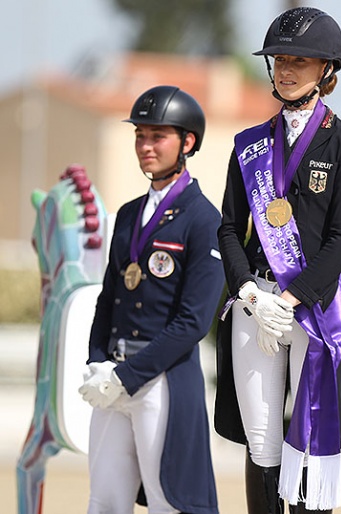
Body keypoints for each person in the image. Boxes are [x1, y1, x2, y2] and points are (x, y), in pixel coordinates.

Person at [214, 6, 341, 514]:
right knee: (261, 440)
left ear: (327, 71)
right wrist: (249, 293)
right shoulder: (250, 145)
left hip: (312, 308)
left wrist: (290, 297)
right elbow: (228, 228)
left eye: (299, 60)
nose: (285, 68)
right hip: (256, 304)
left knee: (305, 436)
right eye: (279, 58)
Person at [78, 85, 224, 514]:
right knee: (104, 499)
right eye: (140, 135)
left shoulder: (203, 220)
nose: (145, 146)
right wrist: (96, 360)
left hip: (161, 379)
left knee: (168, 501)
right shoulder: (126, 214)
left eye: (157, 136)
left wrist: (128, 375)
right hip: (113, 376)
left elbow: (193, 322)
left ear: (187, 142)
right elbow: (110, 299)